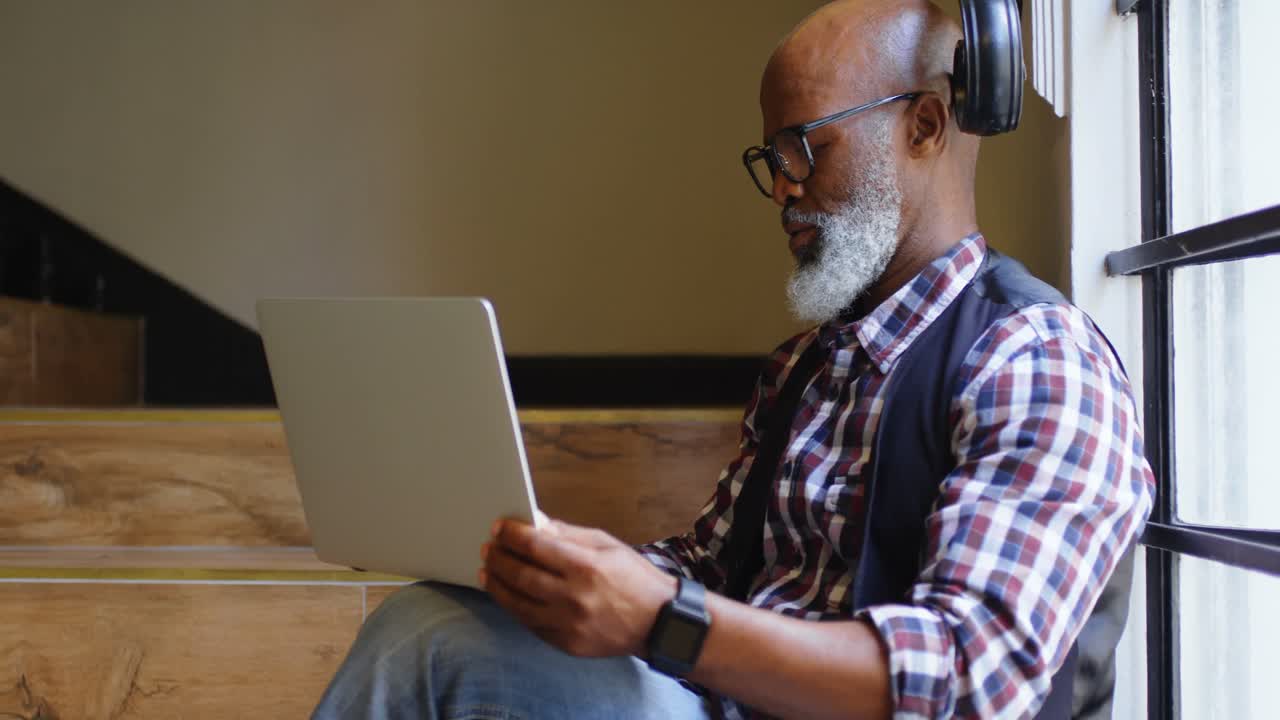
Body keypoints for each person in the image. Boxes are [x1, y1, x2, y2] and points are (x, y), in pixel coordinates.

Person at [313, 0, 1155, 717]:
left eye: (805, 146)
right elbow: (711, 572)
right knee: (428, 625)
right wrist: (566, 567)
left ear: (925, 126)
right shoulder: (805, 369)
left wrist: (664, 620)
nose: (783, 186)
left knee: (434, 651)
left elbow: (971, 679)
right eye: (772, 158)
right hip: (728, 702)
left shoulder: (1035, 359)